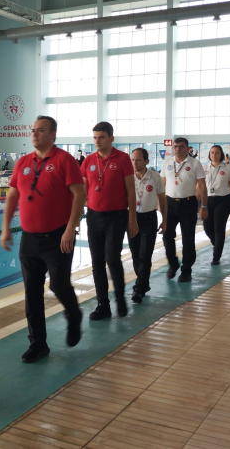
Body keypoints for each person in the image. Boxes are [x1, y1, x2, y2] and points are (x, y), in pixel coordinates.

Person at [1, 116, 85, 363]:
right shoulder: (23, 162)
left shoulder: (64, 160)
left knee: (58, 285)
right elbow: (12, 195)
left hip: (57, 237)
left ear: (53, 134)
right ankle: (38, 344)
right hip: (29, 239)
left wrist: (70, 229)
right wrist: (5, 228)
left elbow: (79, 194)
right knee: (32, 293)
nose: (35, 134)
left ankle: (73, 314)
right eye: (33, 130)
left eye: (40, 130)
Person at [81, 122, 138, 319]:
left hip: (116, 216)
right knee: (97, 262)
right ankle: (102, 305)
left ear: (111, 138)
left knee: (112, 259)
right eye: (95, 137)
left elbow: (131, 190)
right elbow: (83, 191)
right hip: (93, 216)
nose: (97, 141)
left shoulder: (122, 159)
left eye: (101, 137)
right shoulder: (89, 160)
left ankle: (120, 298)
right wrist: (75, 218)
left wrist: (132, 218)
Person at [161, 137, 207, 282]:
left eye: (181, 146)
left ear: (187, 148)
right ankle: (173, 263)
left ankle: (186, 269)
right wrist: (159, 205)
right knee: (167, 235)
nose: (178, 149)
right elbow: (162, 185)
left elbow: (203, 186)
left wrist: (204, 206)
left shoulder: (195, 163)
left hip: (188, 204)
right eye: (175, 146)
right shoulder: (167, 162)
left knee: (188, 238)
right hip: (169, 204)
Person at [128, 148, 166, 302]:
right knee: (135, 254)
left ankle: (139, 288)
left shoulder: (155, 177)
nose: (134, 163)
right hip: (132, 218)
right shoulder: (127, 177)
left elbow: (162, 199)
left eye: (138, 160)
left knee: (145, 254)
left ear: (146, 161)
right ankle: (144, 283)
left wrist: (164, 220)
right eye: (132, 160)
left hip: (149, 218)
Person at [203, 145, 230, 265]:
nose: (214, 155)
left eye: (217, 152)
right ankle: (217, 244)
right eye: (212, 152)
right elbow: (200, 186)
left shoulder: (227, 168)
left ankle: (216, 256)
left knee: (219, 227)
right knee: (207, 228)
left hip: (223, 200)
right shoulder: (204, 167)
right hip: (208, 200)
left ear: (221, 154)